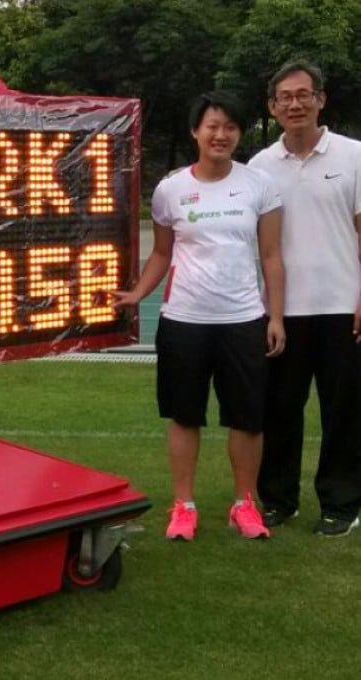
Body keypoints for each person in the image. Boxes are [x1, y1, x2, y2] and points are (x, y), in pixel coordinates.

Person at [114, 90, 285, 541]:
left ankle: (244, 504)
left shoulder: (259, 186)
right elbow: (162, 253)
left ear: (238, 133)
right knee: (185, 416)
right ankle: (183, 506)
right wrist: (137, 294)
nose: (221, 134)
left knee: (248, 418)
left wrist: (276, 317)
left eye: (230, 127)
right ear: (195, 131)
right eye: (212, 126)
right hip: (184, 319)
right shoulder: (171, 188)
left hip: (244, 318)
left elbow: (271, 256)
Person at [247, 60, 361, 537]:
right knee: (279, 410)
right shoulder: (259, 166)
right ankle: (278, 500)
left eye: (303, 94)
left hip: (342, 309)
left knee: (345, 414)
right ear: (273, 107)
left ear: (320, 99)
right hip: (282, 312)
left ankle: (341, 504)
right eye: (284, 97)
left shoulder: (354, 155)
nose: (295, 103)